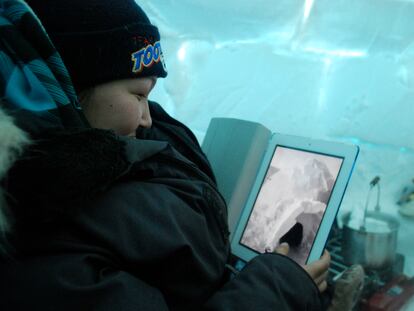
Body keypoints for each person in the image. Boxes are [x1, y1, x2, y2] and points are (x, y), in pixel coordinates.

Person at [0, 0, 363, 310]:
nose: (146, 117)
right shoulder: (41, 231)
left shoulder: (123, 139)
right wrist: (282, 288)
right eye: (138, 95)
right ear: (72, 87)